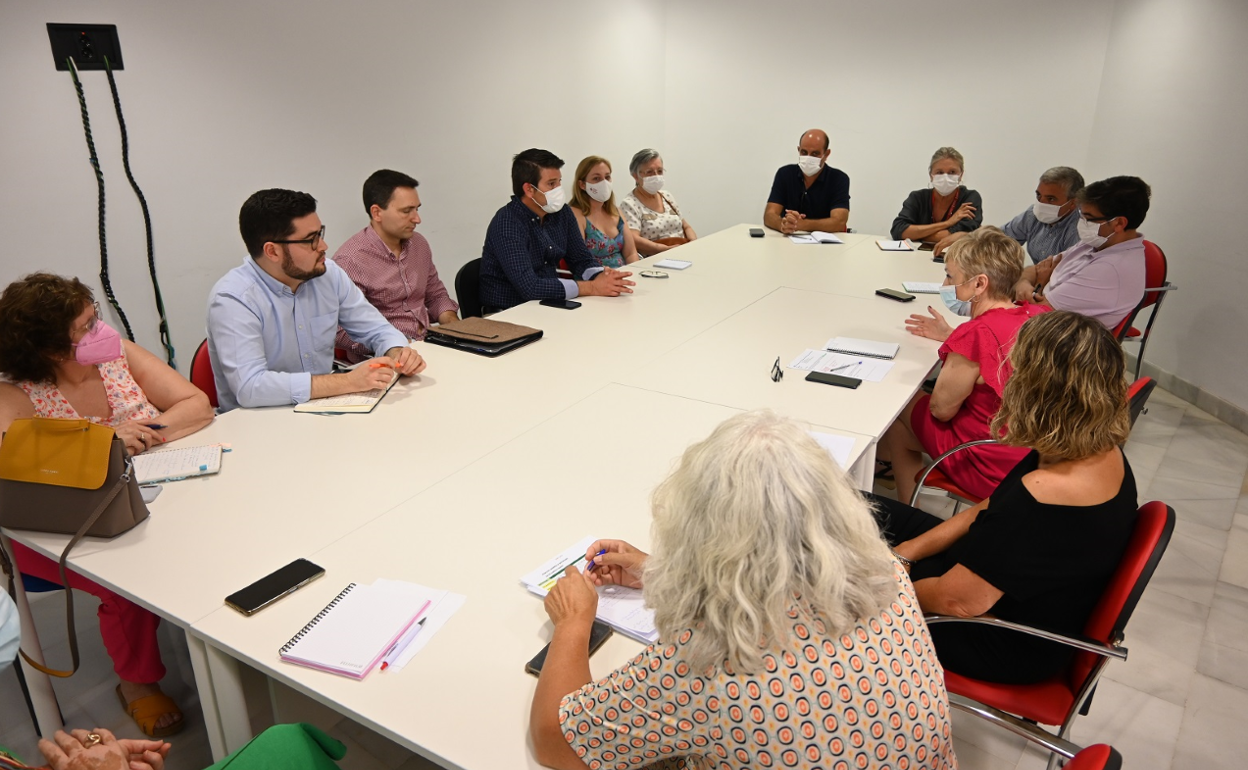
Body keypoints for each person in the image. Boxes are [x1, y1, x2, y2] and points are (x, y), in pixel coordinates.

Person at [529, 411, 956, 770]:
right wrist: (663, 572)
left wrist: (573, 622)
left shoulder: (711, 658)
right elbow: (778, 583)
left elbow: (555, 742)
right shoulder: (886, 573)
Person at [0, 273, 217, 737]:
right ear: (52, 349)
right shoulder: (14, 395)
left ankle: (217, 631)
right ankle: (137, 683)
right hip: (62, 530)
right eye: (86, 325)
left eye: (93, 315)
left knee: (213, 529)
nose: (101, 328)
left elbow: (196, 405)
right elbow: (18, 465)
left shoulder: (118, 356)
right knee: (125, 579)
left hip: (153, 493)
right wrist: (104, 443)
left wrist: (145, 436)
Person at [874, 310, 1138, 684]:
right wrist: (905, 554)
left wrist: (881, 583)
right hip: (988, 583)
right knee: (853, 508)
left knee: (829, 575)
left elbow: (957, 602)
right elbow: (991, 507)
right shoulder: (1085, 444)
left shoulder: (1047, 495)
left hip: (999, 637)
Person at [206, 188, 426, 411]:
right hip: (260, 424)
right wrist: (348, 381)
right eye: (311, 240)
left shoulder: (328, 274)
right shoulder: (233, 299)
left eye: (320, 233)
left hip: (323, 407)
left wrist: (397, 351)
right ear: (272, 252)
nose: (323, 246)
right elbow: (251, 387)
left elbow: (377, 329)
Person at [877, 228, 1046, 503]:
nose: (945, 283)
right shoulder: (1036, 315)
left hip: (989, 464)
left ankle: (907, 511)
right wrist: (952, 337)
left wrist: (960, 342)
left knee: (901, 403)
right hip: (1035, 455)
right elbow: (1001, 350)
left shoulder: (977, 333)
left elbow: (941, 410)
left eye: (950, 276)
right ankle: (900, 489)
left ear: (980, 284)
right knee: (903, 425)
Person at [480, 149, 635, 312]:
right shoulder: (508, 222)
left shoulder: (562, 213)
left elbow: (581, 259)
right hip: (509, 312)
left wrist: (602, 276)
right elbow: (529, 287)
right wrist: (592, 287)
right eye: (551, 184)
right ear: (529, 189)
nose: (558, 189)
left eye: (559, 182)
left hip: (547, 304)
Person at [332, 169, 459, 363]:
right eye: (406, 211)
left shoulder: (419, 244)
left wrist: (453, 326)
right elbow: (340, 330)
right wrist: (393, 346)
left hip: (429, 344)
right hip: (383, 361)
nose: (417, 219)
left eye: (417, 209)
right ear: (377, 212)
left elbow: (435, 295)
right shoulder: (350, 260)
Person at [1013, 176, 1150, 329]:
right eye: (1082, 216)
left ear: (1118, 223)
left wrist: (1039, 282)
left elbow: (1040, 312)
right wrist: (1024, 282)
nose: (1082, 223)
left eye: (1089, 219)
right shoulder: (1095, 243)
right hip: (1041, 319)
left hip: (1052, 338)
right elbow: (1034, 270)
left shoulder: (1110, 269)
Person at [935, 166, 1084, 263]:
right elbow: (1000, 237)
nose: (1041, 203)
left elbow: (1064, 273)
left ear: (1073, 202)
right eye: (1039, 195)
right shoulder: (1032, 215)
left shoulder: (1080, 229)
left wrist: (1025, 279)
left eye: (1051, 199)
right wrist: (966, 236)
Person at [764, 129, 851, 234]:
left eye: (815, 154)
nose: (808, 158)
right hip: (787, 242)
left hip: (825, 245)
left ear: (826, 154)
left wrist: (799, 224)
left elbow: (839, 222)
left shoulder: (839, 179)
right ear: (798, 150)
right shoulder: (785, 174)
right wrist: (782, 224)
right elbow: (769, 215)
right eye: (804, 152)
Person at [889, 147, 983, 243]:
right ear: (931, 175)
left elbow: (967, 235)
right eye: (940, 172)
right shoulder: (918, 197)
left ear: (961, 175)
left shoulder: (970, 198)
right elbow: (898, 230)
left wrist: (918, 235)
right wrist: (948, 223)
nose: (945, 177)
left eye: (952, 172)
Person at [618, 149, 697, 256]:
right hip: (655, 257)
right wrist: (664, 249)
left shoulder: (667, 196)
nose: (656, 176)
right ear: (635, 176)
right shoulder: (630, 204)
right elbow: (633, 238)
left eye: (659, 171)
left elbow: (686, 226)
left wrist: (693, 243)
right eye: (649, 172)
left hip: (683, 252)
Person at [568, 156, 640, 269]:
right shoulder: (575, 214)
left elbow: (631, 254)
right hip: (595, 280)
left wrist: (635, 275)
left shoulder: (616, 212)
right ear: (582, 184)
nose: (604, 183)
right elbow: (579, 260)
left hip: (625, 277)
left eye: (607, 177)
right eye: (596, 178)